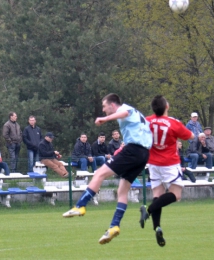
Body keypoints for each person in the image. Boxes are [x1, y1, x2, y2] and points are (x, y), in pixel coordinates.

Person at [63, 93, 153, 245]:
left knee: (99, 173)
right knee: (122, 191)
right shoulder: (138, 115)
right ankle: (114, 226)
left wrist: (104, 119)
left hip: (133, 150)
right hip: (144, 154)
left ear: (112, 105)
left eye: (104, 106)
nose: (103, 110)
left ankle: (80, 206)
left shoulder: (125, 109)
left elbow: (124, 113)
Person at [139, 95, 194, 247]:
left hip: (153, 163)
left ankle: (157, 227)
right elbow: (191, 136)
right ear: (166, 107)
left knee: (158, 195)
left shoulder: (146, 121)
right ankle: (148, 210)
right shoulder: (173, 123)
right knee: (176, 195)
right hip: (170, 163)